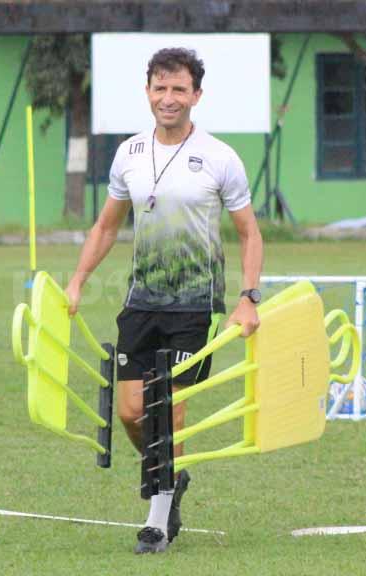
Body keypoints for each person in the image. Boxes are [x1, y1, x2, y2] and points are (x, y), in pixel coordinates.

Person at [65, 47, 264, 554]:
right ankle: (170, 479)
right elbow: (107, 225)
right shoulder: (128, 154)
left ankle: (157, 521)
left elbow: (249, 233)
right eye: (160, 88)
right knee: (133, 414)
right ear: (148, 92)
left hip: (195, 307)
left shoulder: (221, 157)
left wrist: (248, 297)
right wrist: (79, 278)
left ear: (196, 95)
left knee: (167, 411)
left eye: (179, 89)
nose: (169, 98)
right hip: (141, 302)